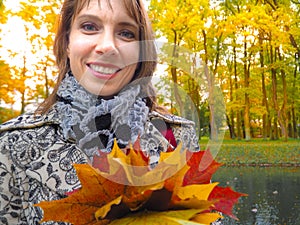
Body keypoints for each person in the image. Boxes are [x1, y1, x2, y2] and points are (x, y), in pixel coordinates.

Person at [0, 0, 199, 224]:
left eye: (126, 33)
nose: (108, 46)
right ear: (67, 41)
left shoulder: (178, 137)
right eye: (89, 27)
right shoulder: (13, 144)